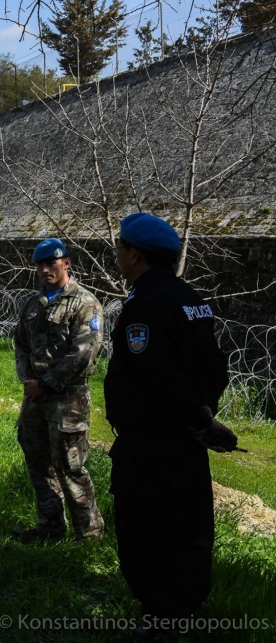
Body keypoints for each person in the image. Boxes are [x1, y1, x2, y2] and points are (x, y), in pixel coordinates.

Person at [105, 213, 236, 631]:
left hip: (151, 445)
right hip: (186, 442)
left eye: (121, 249)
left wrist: (198, 418)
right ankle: (181, 611)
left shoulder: (144, 303)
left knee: (147, 532)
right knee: (187, 529)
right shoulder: (191, 298)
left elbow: (157, 375)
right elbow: (216, 366)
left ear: (136, 256)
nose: (118, 256)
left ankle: (159, 619)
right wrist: (204, 418)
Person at [13, 238, 105, 543]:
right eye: (39, 264)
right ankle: (50, 525)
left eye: (51, 263)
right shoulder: (32, 304)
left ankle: (90, 535)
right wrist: (28, 381)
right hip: (35, 397)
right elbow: (21, 344)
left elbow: (83, 353)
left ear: (66, 263)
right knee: (38, 462)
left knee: (70, 466)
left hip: (68, 399)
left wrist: (47, 385)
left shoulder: (85, 303)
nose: (44, 269)